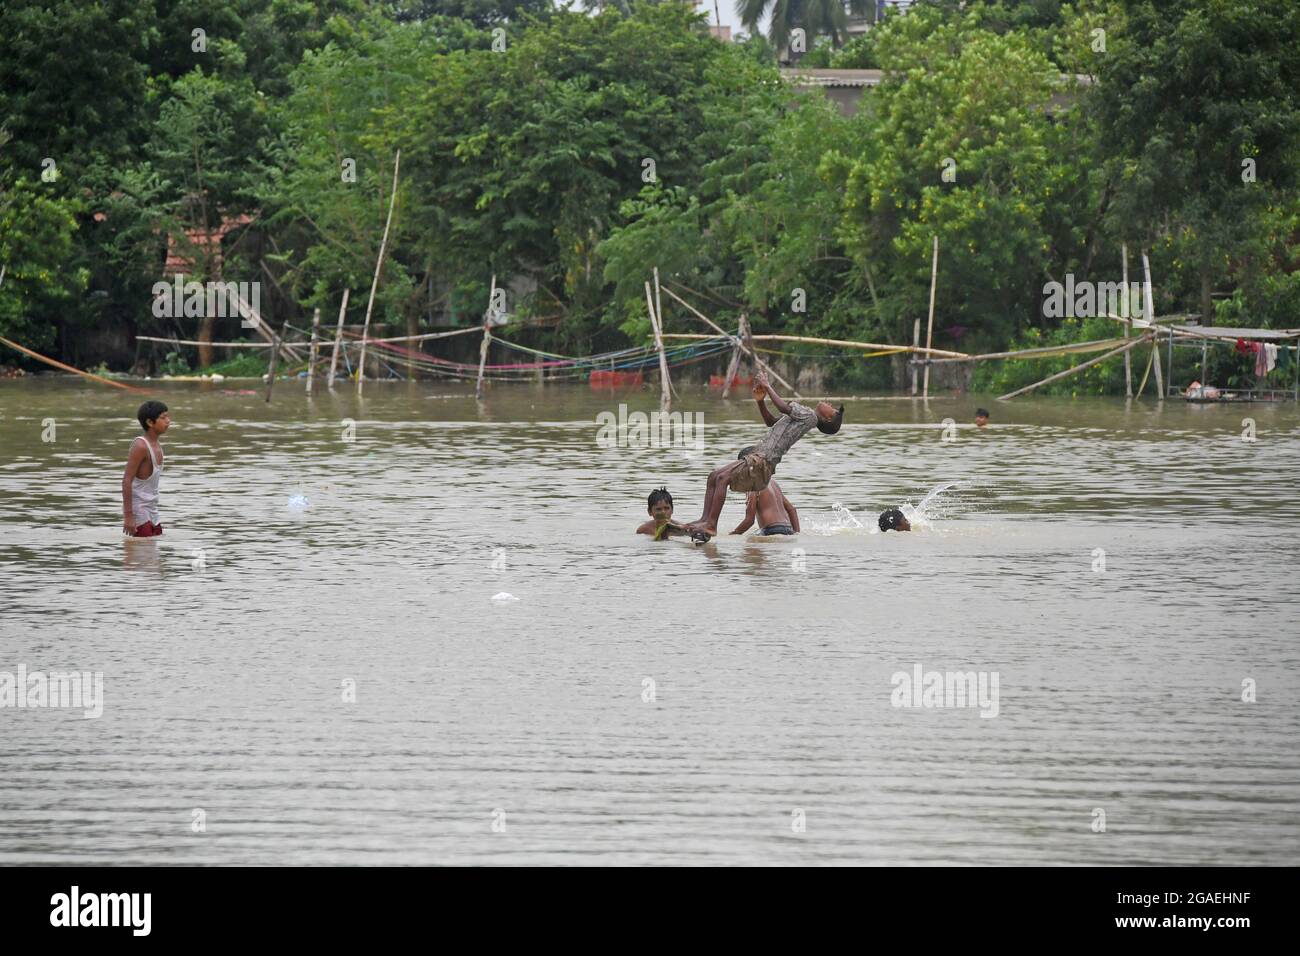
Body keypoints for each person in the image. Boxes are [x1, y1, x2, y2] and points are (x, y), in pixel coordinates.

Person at [683, 371, 842, 539]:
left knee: (722, 478)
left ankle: (711, 525)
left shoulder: (810, 415)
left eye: (832, 408)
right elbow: (771, 422)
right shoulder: (804, 416)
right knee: (713, 476)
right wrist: (760, 402)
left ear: (828, 418)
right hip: (759, 455)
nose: (828, 403)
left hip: (763, 459)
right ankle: (704, 519)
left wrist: (767, 385)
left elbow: (782, 407)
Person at [123, 400, 171, 537]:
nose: (168, 421)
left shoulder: (157, 445)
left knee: (154, 555)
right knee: (142, 555)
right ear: (150, 422)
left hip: (153, 511)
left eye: (168, 417)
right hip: (139, 513)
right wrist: (128, 516)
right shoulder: (141, 446)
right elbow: (127, 480)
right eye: (163, 418)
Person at [729, 446, 799, 536]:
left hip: (771, 530)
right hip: (788, 529)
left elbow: (749, 520)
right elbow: (791, 509)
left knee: (748, 547)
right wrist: (796, 533)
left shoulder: (753, 485)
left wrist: (733, 533)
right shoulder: (772, 482)